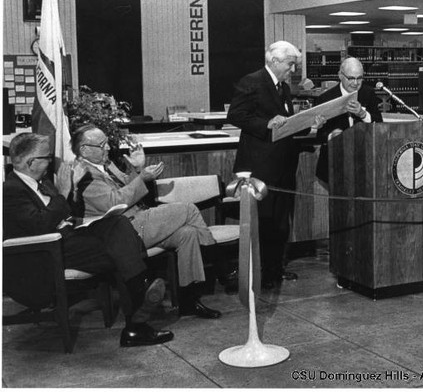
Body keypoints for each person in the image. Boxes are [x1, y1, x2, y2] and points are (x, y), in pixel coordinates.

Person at [3, 133, 173, 347]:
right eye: (47, 157)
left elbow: (63, 211)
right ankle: (138, 312)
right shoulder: (10, 190)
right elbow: (41, 225)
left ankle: (137, 316)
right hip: (46, 253)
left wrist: (71, 192)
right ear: (31, 162)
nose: (51, 162)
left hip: (69, 239)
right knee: (121, 250)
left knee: (117, 224)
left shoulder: (42, 182)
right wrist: (64, 192)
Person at [70, 124, 222, 318]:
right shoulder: (84, 175)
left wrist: (137, 168)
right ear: (84, 149)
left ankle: (189, 301)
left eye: (107, 143)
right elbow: (115, 202)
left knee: (188, 234)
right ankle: (220, 266)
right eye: (102, 145)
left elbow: (127, 186)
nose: (107, 148)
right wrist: (142, 177)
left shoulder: (106, 164)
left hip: (139, 220)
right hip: (124, 233)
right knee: (188, 209)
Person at [227, 40, 324, 289]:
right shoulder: (252, 81)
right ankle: (258, 273)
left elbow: (285, 124)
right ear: (275, 61)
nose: (293, 71)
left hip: (283, 165)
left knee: (281, 222)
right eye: (291, 65)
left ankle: (274, 269)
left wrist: (308, 124)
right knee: (263, 221)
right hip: (260, 167)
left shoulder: (283, 88)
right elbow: (236, 115)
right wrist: (266, 123)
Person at [315, 56, 383, 185]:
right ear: (340, 75)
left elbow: (379, 124)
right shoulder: (325, 98)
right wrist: (331, 135)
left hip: (364, 161)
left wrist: (362, 114)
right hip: (334, 162)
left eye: (360, 78)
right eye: (351, 78)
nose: (356, 83)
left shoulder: (368, 93)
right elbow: (318, 136)